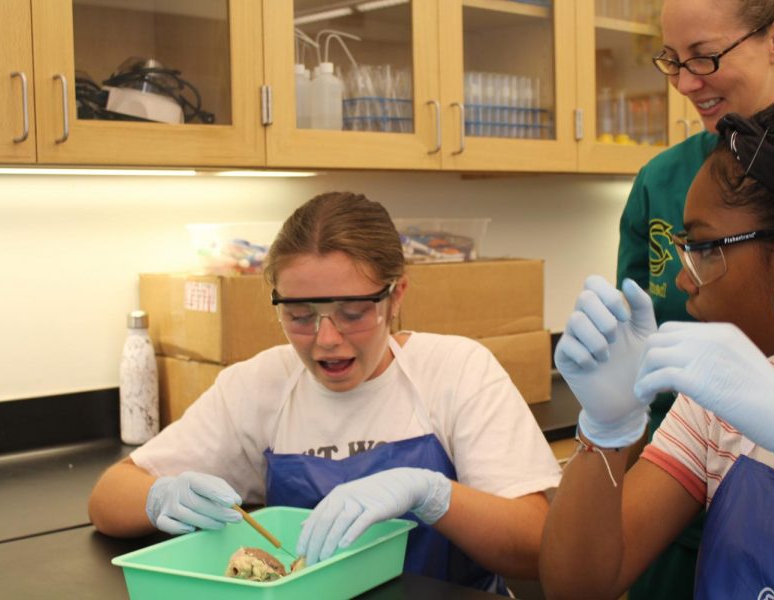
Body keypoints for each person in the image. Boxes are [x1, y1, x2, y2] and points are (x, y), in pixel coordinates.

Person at [88, 192, 562, 594]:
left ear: (396, 296)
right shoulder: (259, 387)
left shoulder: (455, 371)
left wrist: (434, 494)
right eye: (299, 314)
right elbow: (108, 499)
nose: (326, 338)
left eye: (353, 312)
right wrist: (161, 496)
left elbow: (539, 546)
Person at [542, 43, 774, 600]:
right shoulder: (722, 400)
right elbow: (580, 587)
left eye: (702, 248)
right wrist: (603, 432)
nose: (683, 279)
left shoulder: (751, 397)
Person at [615, 1, 774, 596]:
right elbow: (636, 342)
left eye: (706, 57)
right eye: (673, 60)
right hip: (674, 499)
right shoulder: (664, 182)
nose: (686, 84)